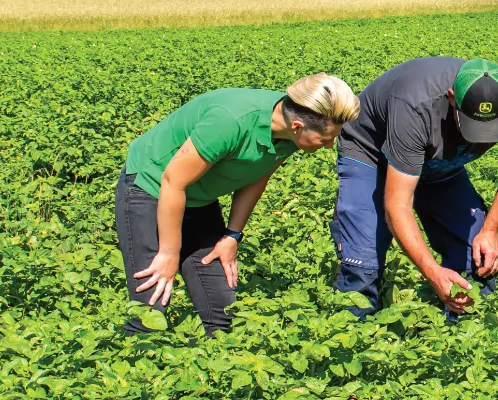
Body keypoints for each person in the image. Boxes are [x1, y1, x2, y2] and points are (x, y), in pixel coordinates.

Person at [115, 73, 359, 336]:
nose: (329, 146)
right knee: (150, 310)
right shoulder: (230, 121)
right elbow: (173, 182)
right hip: (151, 186)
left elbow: (258, 174)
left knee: (222, 316)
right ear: (298, 126)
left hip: (199, 198)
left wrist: (232, 235)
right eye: (325, 140)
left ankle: (204, 373)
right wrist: (168, 254)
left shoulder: (290, 133)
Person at [330, 57, 498, 321]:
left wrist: (490, 230)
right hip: (371, 154)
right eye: (470, 124)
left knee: (474, 258)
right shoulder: (416, 106)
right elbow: (398, 205)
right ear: (451, 98)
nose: (476, 136)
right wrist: (431, 271)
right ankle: (349, 337)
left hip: (438, 164)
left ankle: (463, 347)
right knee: (363, 262)